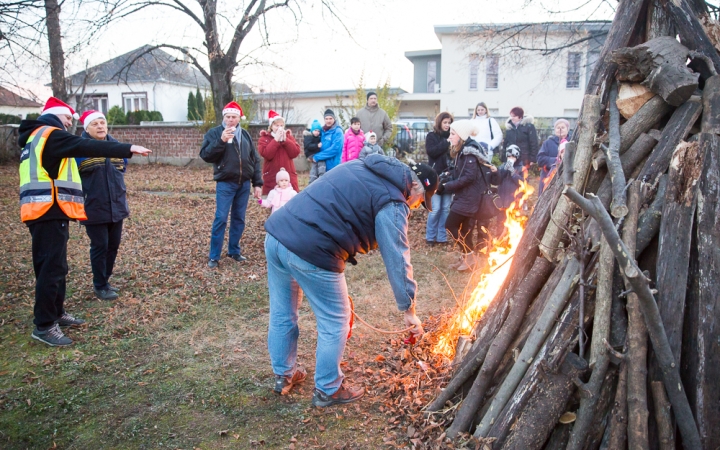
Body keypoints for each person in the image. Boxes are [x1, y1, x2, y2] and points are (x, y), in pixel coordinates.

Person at [263, 154, 436, 406]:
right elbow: (397, 257)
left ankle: (284, 375)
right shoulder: (393, 202)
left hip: (278, 234)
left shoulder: (363, 164)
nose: (417, 206)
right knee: (336, 320)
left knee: (282, 313)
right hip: (311, 248)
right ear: (416, 186)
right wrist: (408, 308)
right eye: (421, 201)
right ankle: (328, 388)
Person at [19, 97, 151, 347]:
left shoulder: (37, 137)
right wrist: (128, 147)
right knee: (51, 268)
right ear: (55, 116)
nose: (70, 122)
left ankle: (57, 313)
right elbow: (89, 147)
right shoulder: (50, 135)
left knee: (57, 266)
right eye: (68, 118)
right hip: (48, 209)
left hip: (47, 209)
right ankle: (44, 325)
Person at [199, 101, 263, 268]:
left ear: (239, 118)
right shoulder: (214, 133)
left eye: (234, 117)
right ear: (223, 117)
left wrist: (257, 183)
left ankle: (234, 250)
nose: (230, 120)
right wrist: (221, 141)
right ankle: (214, 256)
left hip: (244, 184)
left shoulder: (246, 135)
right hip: (225, 183)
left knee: (239, 218)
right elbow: (205, 155)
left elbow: (254, 159)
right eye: (227, 117)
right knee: (221, 218)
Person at [75, 110, 129, 301]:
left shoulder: (117, 147)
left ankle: (105, 281)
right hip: (93, 207)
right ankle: (99, 285)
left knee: (113, 246)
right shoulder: (79, 150)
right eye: (95, 124)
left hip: (117, 206)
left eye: (102, 123)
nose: (100, 126)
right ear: (87, 128)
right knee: (100, 245)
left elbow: (122, 170)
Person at [435, 119, 500, 272]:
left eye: (452, 133)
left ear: (462, 135)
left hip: (469, 197)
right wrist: (446, 175)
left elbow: (469, 177)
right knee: (464, 230)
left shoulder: (469, 152)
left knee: (450, 225)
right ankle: (467, 258)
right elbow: (460, 172)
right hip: (466, 196)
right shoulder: (463, 150)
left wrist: (446, 187)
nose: (449, 137)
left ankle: (470, 257)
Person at [424, 112, 453, 246]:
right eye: (445, 122)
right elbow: (432, 152)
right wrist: (446, 143)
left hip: (449, 176)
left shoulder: (453, 137)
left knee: (445, 208)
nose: (447, 125)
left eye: (449, 122)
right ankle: (430, 237)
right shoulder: (432, 136)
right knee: (435, 208)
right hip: (434, 176)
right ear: (440, 122)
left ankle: (442, 237)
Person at [258, 110, 300, 195]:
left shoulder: (288, 137)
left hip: (288, 176)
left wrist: (286, 141)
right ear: (271, 126)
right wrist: (275, 140)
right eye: (276, 125)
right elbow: (267, 154)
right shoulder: (264, 139)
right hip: (272, 176)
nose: (279, 127)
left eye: (281, 125)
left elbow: (295, 153)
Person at [503, 107, 539, 178]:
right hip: (511, 156)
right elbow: (506, 143)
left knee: (523, 177)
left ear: (520, 117)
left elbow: (533, 143)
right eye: (511, 116)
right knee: (510, 175)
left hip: (524, 157)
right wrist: (504, 157)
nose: (512, 118)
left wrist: (533, 158)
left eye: (514, 116)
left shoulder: (529, 126)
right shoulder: (509, 128)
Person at [537, 118, 570, 194]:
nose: (560, 129)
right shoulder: (548, 143)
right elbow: (540, 160)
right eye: (558, 128)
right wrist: (556, 160)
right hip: (548, 178)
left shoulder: (572, 142)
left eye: (563, 127)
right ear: (555, 130)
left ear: (567, 129)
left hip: (566, 178)